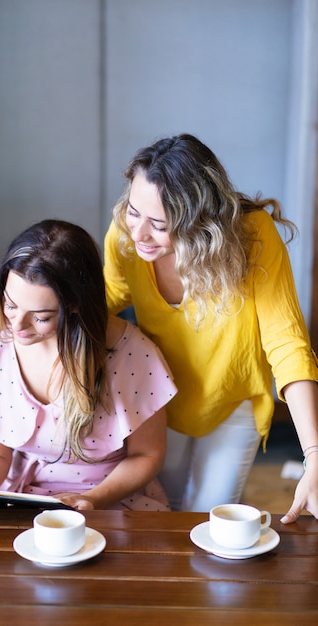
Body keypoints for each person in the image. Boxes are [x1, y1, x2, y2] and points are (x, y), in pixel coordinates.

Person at [103, 133, 318, 523]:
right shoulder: (125, 239)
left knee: (207, 519)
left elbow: (287, 343)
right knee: (162, 514)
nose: (138, 234)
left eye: (158, 223)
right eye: (134, 211)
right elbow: (104, 298)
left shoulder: (254, 238)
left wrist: (315, 456)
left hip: (231, 399)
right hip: (159, 398)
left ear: (200, 223)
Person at [0, 219, 177, 511]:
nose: (18, 326)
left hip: (110, 497)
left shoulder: (132, 354)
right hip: (21, 496)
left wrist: (92, 499)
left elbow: (147, 455)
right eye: (11, 305)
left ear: (76, 305)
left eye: (40, 317)